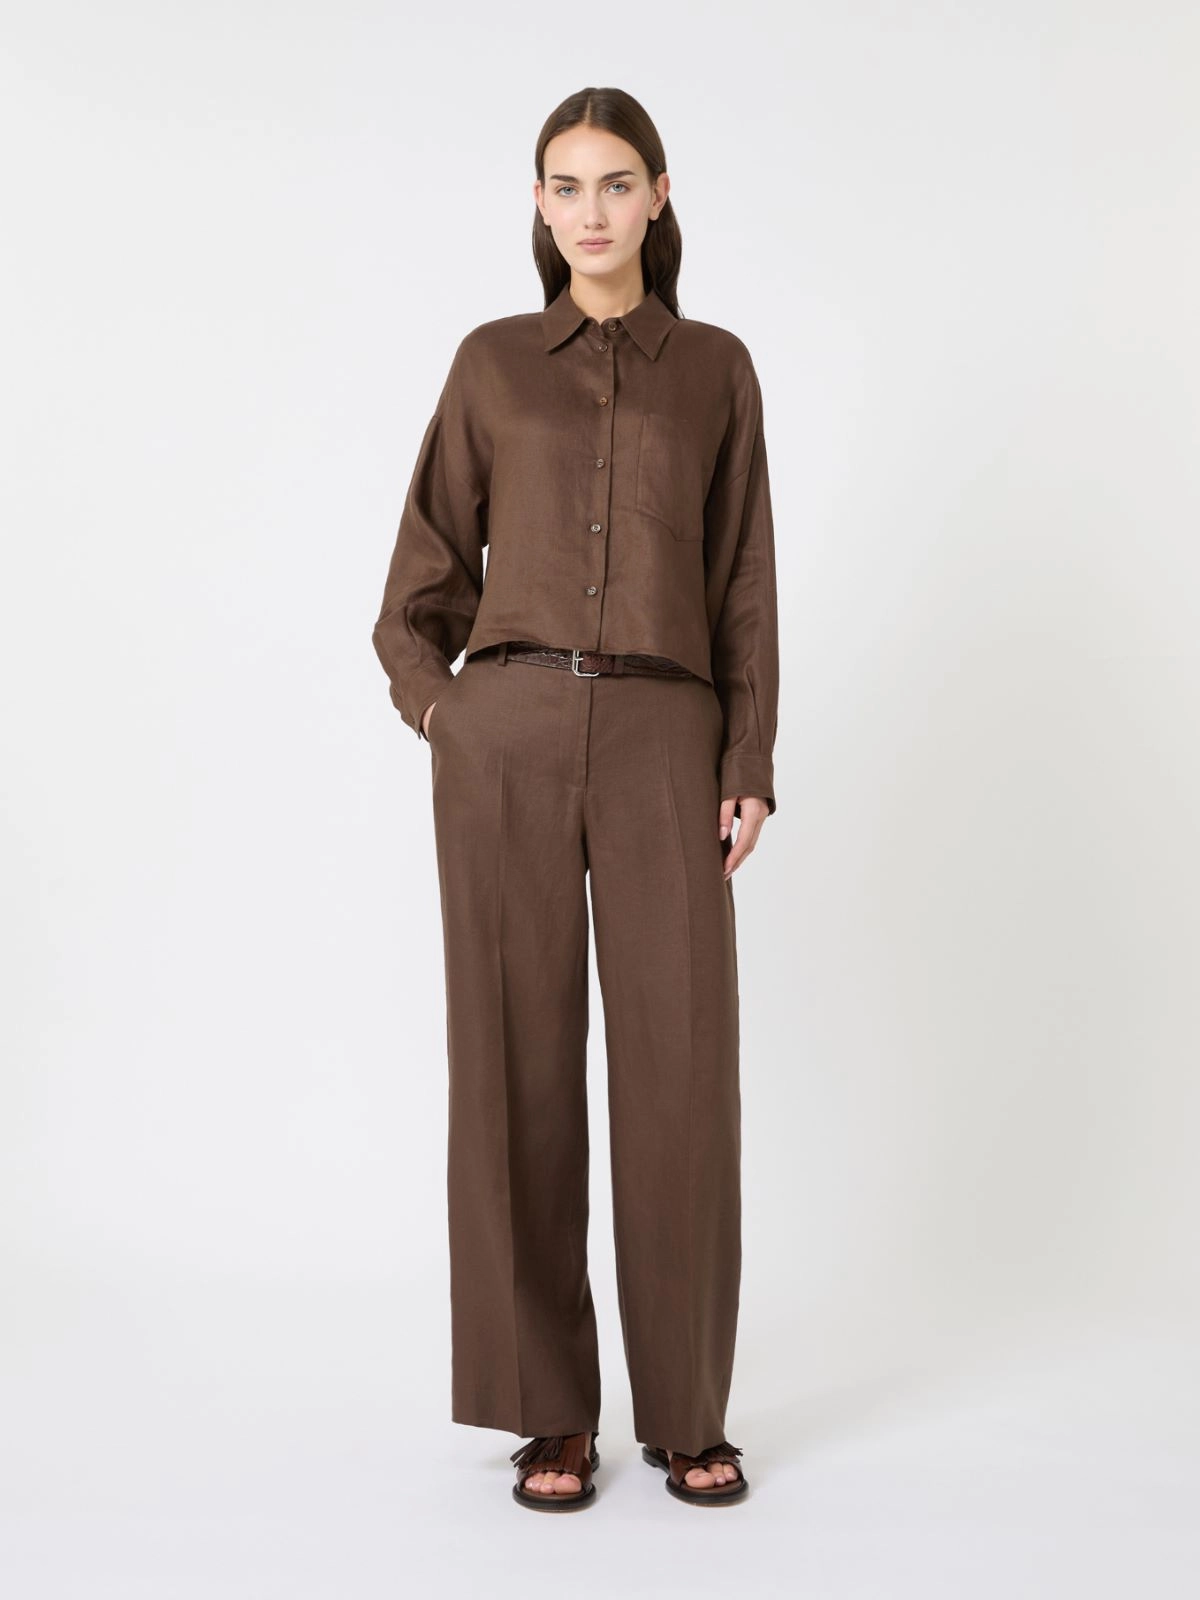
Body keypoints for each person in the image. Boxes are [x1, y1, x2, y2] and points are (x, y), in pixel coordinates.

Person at [370, 85, 779, 1512]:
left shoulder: (716, 370)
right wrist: (449, 716)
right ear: (539, 206)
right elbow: (416, 588)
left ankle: (687, 1410)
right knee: (513, 1069)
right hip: (511, 733)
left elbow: (743, 582)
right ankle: (548, 1410)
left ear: (659, 196)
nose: (590, 210)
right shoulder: (493, 364)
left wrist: (747, 759)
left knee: (680, 1073)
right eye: (565, 185)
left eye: (615, 183)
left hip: (669, 733)